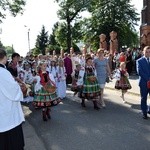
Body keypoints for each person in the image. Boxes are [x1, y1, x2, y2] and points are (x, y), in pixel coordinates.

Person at [0, 49, 25, 150]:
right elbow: (14, 91)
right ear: (4, 57)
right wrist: (22, 88)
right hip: (8, 117)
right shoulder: (3, 72)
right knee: (12, 144)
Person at [136, 46, 150, 119]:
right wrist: (148, 79)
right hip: (144, 83)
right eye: (146, 52)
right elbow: (140, 72)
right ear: (143, 52)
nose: (148, 53)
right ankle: (144, 112)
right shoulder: (139, 61)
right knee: (143, 98)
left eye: (149, 52)